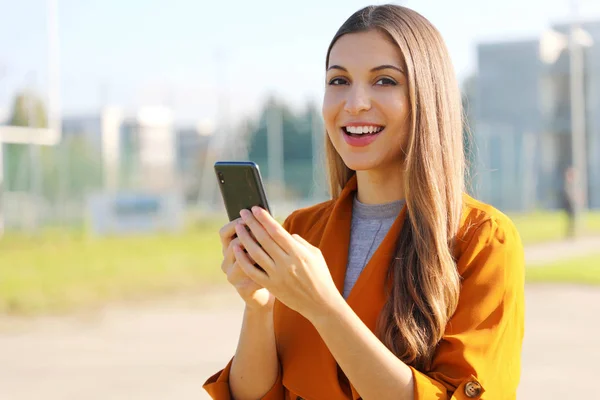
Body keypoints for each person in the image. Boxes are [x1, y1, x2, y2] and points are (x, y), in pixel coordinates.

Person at [204, 4, 525, 400]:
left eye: (385, 81)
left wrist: (326, 308)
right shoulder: (300, 233)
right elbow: (256, 395)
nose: (354, 103)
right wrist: (259, 307)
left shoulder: (483, 239)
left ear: (427, 96)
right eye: (338, 81)